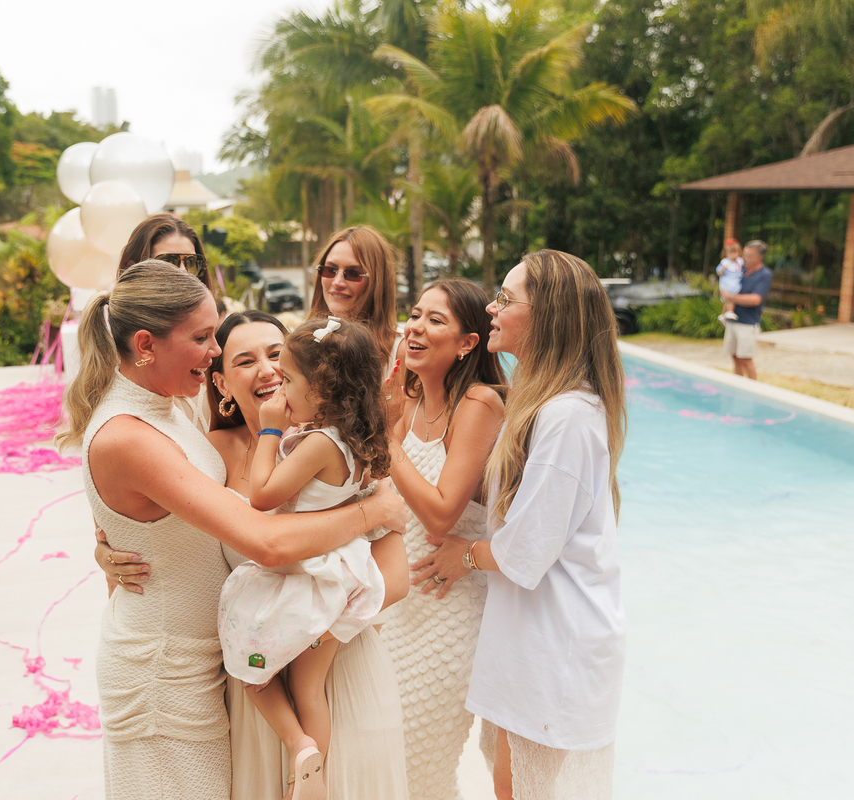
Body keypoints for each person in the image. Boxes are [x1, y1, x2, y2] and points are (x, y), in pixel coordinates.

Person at [56, 262, 407, 799]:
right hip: (168, 673)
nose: (214, 350)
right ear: (146, 345)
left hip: (222, 660)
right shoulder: (128, 432)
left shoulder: (170, 408)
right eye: (203, 338)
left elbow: (162, 520)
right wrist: (376, 511)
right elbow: (265, 542)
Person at [204, 310, 410, 800]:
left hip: (339, 664)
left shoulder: (313, 443)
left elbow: (396, 578)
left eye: (278, 359)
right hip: (268, 662)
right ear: (221, 383)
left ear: (321, 385)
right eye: (245, 361)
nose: (270, 374)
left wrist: (312, 628)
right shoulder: (204, 454)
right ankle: (306, 764)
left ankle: (309, 771)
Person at [458, 250, 627, 800]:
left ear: (547, 318)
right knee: (508, 780)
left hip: (556, 640)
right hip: (532, 633)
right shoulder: (546, 406)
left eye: (506, 299)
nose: (492, 307)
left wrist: (462, 554)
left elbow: (522, 552)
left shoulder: (566, 416)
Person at [379, 279, 506, 799]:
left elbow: (439, 514)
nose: (415, 327)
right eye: (415, 314)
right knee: (383, 762)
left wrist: (383, 436)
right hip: (397, 609)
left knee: (420, 769)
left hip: (448, 612)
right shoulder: (409, 401)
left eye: (435, 320)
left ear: (467, 343)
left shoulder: (479, 403)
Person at [117, 213, 214, 431]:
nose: (183, 272)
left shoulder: (216, 343)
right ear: (133, 267)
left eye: (192, 263)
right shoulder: (113, 349)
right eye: (168, 263)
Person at [309, 226, 401, 369]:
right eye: (330, 270)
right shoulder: (301, 343)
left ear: (377, 282)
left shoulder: (400, 351)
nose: (337, 282)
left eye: (353, 273)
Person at [721, 240, 773, 381]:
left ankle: (753, 388)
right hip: (733, 320)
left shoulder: (764, 275)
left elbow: (755, 299)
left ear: (759, 258)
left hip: (747, 323)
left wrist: (731, 297)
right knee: (735, 357)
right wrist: (724, 313)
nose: (744, 258)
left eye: (748, 256)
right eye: (744, 254)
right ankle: (737, 385)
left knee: (745, 359)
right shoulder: (740, 269)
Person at [716, 238, 744, 323]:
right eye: (730, 253)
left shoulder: (740, 261)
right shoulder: (725, 262)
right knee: (730, 298)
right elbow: (719, 272)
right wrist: (723, 269)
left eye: (734, 252)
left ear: (739, 252)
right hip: (728, 283)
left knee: (732, 298)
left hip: (736, 283)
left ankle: (724, 314)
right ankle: (729, 312)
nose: (732, 255)